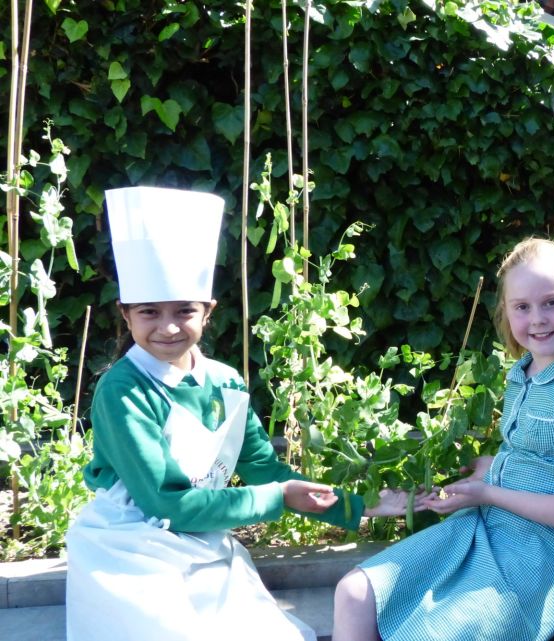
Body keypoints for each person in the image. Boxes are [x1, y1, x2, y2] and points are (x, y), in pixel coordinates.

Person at [66, 186, 416, 641]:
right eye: (149, 312)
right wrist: (278, 496)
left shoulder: (226, 382)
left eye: (184, 311)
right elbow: (165, 502)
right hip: (130, 547)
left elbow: (265, 469)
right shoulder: (122, 390)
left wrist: (365, 505)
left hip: (202, 537)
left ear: (207, 312)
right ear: (125, 314)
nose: (168, 326)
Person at [331, 237, 554, 641]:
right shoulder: (522, 373)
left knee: (437, 633)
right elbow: (537, 457)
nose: (537, 318)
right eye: (522, 307)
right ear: (507, 313)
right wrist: (481, 474)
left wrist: (488, 493)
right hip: (486, 526)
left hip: (545, 551)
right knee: (355, 592)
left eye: (551, 302)